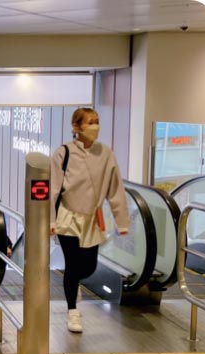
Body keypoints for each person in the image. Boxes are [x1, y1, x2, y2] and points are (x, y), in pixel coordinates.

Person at [51, 107, 130, 333]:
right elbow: (53, 189)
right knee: (73, 264)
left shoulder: (105, 153)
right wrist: (50, 221)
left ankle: (73, 283)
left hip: (92, 218)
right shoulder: (63, 153)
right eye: (90, 122)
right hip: (67, 216)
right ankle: (72, 311)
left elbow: (115, 188)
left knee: (88, 266)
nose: (95, 126)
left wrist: (122, 221)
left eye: (97, 121)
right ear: (76, 126)